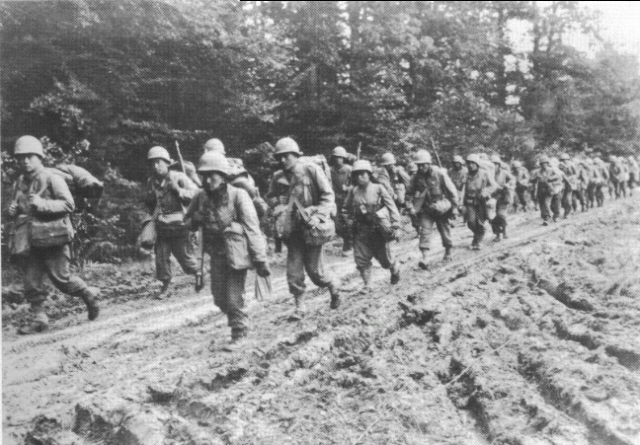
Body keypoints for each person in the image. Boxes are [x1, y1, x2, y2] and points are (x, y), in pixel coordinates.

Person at [7, 135, 99, 334]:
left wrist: (43, 205)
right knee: (31, 281)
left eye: (30, 156)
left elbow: (68, 204)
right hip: (30, 241)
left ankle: (87, 295)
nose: (25, 161)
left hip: (53, 238)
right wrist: (12, 210)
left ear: (39, 157)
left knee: (62, 280)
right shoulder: (19, 182)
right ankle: (39, 319)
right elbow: (18, 209)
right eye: (21, 157)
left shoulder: (52, 178)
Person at [184, 152, 270, 350]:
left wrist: (260, 259)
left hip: (237, 254)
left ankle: (239, 332)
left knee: (233, 296)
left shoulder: (238, 196)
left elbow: (252, 228)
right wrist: (195, 219)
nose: (207, 180)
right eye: (203, 175)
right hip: (216, 254)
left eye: (212, 175)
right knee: (219, 298)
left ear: (222, 175)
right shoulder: (200, 197)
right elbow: (186, 223)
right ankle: (237, 316)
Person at [266, 137, 341, 319]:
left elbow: (328, 196)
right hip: (292, 230)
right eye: (279, 157)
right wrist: (279, 205)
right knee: (293, 272)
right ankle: (300, 307)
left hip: (311, 227)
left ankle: (334, 286)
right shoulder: (278, 177)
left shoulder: (310, 170)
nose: (282, 160)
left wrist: (316, 214)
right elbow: (270, 198)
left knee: (316, 273)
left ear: (295, 155)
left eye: (286, 156)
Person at [144, 146, 199, 299]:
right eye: (153, 163)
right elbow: (149, 204)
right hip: (162, 226)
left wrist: (179, 191)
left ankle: (202, 275)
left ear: (167, 163)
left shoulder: (179, 177)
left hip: (180, 226)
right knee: (161, 259)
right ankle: (166, 286)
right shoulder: (152, 182)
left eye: (159, 162)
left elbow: (197, 194)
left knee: (187, 261)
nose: (156, 166)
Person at [342, 160, 401, 292]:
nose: (359, 177)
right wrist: (348, 220)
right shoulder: (353, 191)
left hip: (378, 230)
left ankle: (395, 267)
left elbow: (392, 207)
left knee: (385, 260)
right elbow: (345, 209)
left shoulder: (378, 188)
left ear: (369, 174)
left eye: (362, 174)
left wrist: (396, 226)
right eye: (356, 175)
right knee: (361, 259)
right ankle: (367, 284)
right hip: (361, 230)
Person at [405, 150, 458, 269]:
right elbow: (408, 193)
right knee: (424, 232)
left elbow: (451, 191)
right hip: (426, 209)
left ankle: (448, 251)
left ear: (429, 163)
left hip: (440, 207)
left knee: (444, 230)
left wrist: (454, 207)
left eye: (424, 164)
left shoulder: (439, 173)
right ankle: (425, 258)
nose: (421, 167)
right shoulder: (415, 177)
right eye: (419, 165)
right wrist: (410, 206)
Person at [462, 154, 496, 250]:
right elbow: (463, 189)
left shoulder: (484, 173)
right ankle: (477, 235)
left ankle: (478, 241)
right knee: (471, 222)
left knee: (480, 222)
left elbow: (493, 185)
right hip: (469, 201)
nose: (471, 165)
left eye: (473, 163)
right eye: (469, 163)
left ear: (477, 164)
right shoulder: (466, 174)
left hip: (481, 201)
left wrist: (485, 192)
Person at [330, 146, 353, 255]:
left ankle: (348, 246)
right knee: (337, 224)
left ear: (344, 158)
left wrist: (348, 188)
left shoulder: (349, 170)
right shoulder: (330, 170)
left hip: (347, 200)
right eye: (336, 157)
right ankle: (348, 242)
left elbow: (357, 185)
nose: (338, 160)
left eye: (340, 157)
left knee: (348, 223)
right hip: (334, 200)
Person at [490, 155, 514, 241]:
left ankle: (504, 231)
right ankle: (497, 235)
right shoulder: (488, 173)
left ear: (498, 165)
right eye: (492, 164)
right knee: (492, 217)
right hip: (492, 197)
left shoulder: (504, 173)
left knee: (501, 215)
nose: (494, 166)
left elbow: (512, 179)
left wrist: (508, 185)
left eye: (495, 164)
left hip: (503, 196)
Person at [536, 155, 564, 225]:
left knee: (556, 203)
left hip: (555, 188)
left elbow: (559, 177)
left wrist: (550, 179)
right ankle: (547, 218)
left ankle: (556, 215)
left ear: (547, 163)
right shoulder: (539, 172)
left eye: (545, 163)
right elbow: (537, 181)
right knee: (545, 204)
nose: (543, 165)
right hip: (545, 190)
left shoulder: (552, 169)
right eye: (542, 163)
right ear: (540, 164)